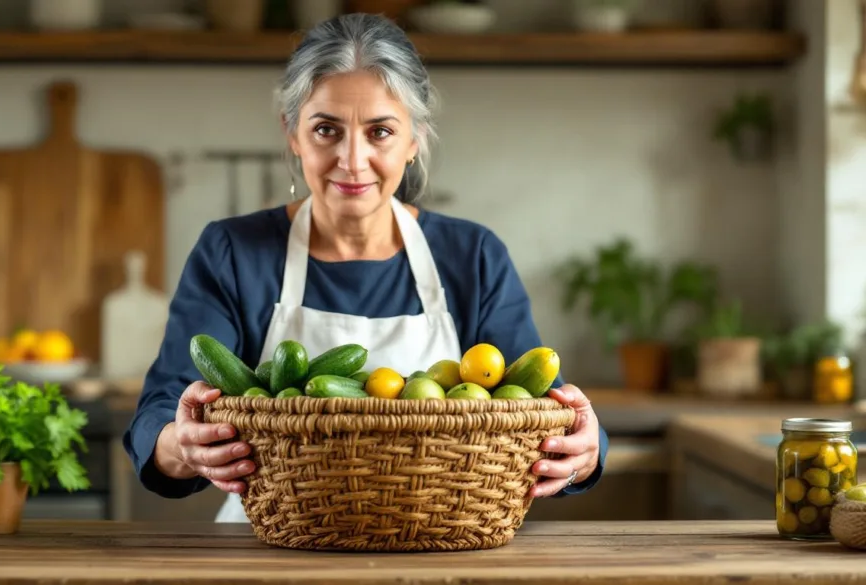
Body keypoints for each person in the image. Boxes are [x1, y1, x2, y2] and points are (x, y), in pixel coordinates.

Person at [122, 12, 609, 523]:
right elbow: (161, 408)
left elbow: (535, 403)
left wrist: (584, 447)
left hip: (436, 542)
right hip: (265, 550)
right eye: (326, 130)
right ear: (292, 133)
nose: (352, 161)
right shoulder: (233, 251)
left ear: (414, 139)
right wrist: (182, 445)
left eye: (379, 132)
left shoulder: (473, 257)